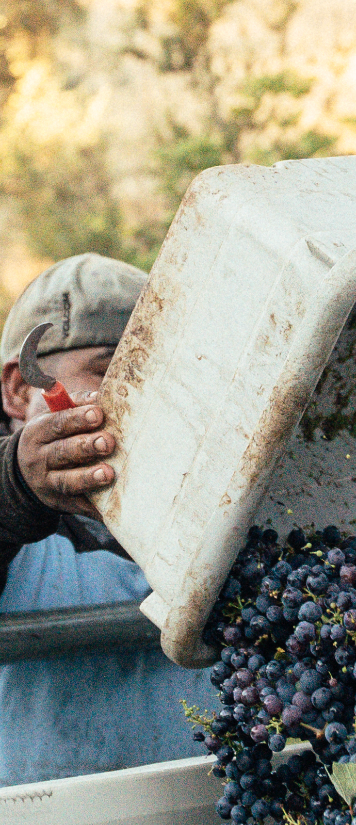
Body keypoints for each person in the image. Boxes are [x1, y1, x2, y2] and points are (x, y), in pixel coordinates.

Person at [0, 254, 213, 786]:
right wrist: (16, 483)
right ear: (20, 389)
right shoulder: (16, 531)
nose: (141, 398)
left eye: (158, 375)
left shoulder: (219, 520)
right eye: (110, 371)